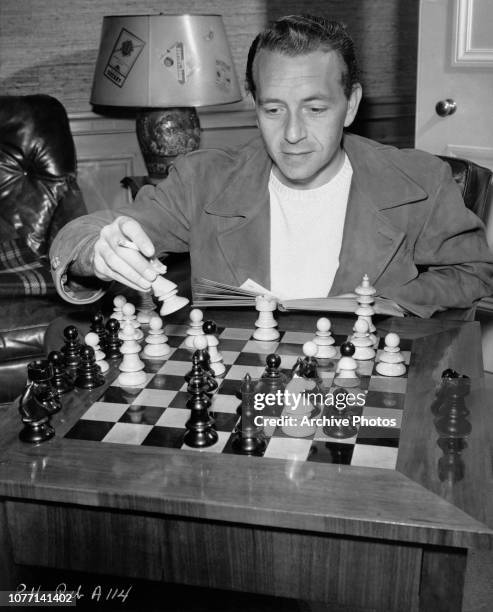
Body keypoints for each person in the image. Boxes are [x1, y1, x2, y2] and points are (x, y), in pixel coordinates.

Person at [50, 14, 493, 318]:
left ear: (351, 104)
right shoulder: (201, 179)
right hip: (240, 394)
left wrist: (386, 303)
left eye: (315, 109)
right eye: (274, 110)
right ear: (254, 105)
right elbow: (85, 234)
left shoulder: (420, 180)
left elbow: (473, 272)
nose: (293, 134)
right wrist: (96, 250)